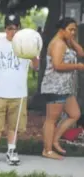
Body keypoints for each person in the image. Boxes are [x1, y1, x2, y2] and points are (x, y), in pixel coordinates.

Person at [0, 14, 39, 165]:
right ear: (5, 29)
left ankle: (11, 150)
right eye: (9, 29)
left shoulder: (25, 44)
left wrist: (33, 55)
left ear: (19, 29)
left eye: (15, 29)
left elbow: (37, 66)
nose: (12, 32)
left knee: (14, 125)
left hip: (19, 93)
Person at [41, 17, 84, 160]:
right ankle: (47, 150)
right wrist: (77, 66)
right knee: (51, 119)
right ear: (61, 30)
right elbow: (58, 65)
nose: (73, 32)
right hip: (55, 87)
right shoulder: (58, 44)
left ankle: (54, 140)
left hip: (65, 88)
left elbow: (81, 53)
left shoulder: (66, 42)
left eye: (74, 30)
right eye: (70, 29)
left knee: (75, 114)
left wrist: (71, 39)